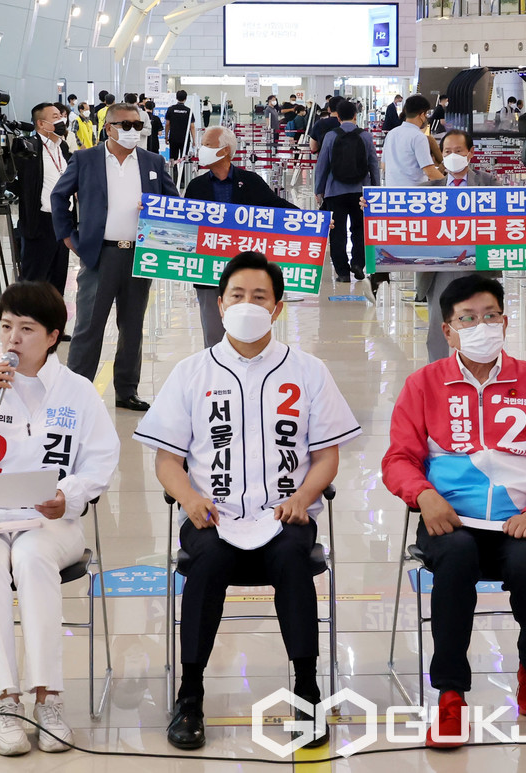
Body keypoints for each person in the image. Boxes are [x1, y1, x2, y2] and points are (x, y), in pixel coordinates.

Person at [134, 253, 360, 751]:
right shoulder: (192, 372)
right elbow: (166, 461)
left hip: (286, 515)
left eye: (260, 297)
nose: (248, 305)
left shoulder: (307, 370)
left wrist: (303, 497)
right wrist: (190, 499)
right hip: (211, 516)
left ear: (277, 308)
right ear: (220, 305)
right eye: (237, 295)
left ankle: (306, 689)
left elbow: (327, 456)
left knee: (292, 558)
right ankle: (190, 694)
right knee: (207, 560)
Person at [381, 275, 526, 748]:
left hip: (519, 521)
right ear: (448, 330)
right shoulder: (424, 384)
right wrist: (423, 496)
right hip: (450, 522)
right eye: (467, 319)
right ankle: (451, 694)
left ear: (505, 321)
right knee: (455, 561)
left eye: (490, 316)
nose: (481, 326)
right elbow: (398, 459)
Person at [0, 281, 118, 756]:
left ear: (53, 336)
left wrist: (68, 493)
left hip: (48, 520)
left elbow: (100, 459)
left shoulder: (77, 393)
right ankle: (4, 700)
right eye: (6, 327)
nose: (12, 338)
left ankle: (48, 697)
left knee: (34, 555)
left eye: (26, 329)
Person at [50, 102, 180, 412]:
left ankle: (126, 390)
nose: (132, 131)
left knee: (132, 326)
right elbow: (58, 195)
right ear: (108, 128)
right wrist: (68, 236)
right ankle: (77, 390)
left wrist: (157, 211)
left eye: (137, 125)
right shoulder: (85, 159)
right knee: (88, 327)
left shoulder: (152, 160)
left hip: (139, 255)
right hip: (99, 255)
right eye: (125, 124)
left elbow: (173, 201)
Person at [187, 126, 299, 346]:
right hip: (208, 272)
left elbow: (278, 208)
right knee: (213, 335)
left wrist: (316, 222)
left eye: (208, 145)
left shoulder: (250, 181)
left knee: (248, 333)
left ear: (225, 150)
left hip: (244, 269)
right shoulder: (196, 186)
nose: (202, 150)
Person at [417, 131, 503, 361]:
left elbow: (517, 208)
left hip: (477, 268)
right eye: (447, 152)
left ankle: (480, 371)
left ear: (470, 153)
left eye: (458, 151)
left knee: (479, 327)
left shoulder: (489, 184)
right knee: (438, 329)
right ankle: (438, 378)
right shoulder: (427, 190)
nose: (452, 156)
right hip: (439, 270)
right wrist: (371, 206)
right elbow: (394, 213)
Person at [314, 99, 380, 284]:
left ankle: (342, 272)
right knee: (359, 229)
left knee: (338, 232)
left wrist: (319, 189)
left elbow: (322, 166)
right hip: (360, 193)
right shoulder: (365, 136)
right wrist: (375, 189)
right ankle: (358, 263)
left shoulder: (330, 136)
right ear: (355, 116)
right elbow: (373, 164)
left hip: (335, 192)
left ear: (338, 117)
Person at [10, 103, 72, 298]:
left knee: (57, 282)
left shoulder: (61, 146)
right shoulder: (30, 147)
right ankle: (31, 325)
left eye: (61, 116)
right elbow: (12, 179)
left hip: (63, 222)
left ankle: (54, 327)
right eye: (55, 117)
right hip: (40, 222)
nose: (62, 120)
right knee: (35, 284)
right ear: (41, 123)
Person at [165, 90, 194, 163]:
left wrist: (166, 136)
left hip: (173, 137)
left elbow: (167, 124)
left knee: (173, 158)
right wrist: (194, 140)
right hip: (185, 138)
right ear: (185, 98)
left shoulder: (171, 109)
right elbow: (192, 127)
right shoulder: (188, 111)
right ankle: (184, 173)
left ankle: (173, 173)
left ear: (176, 98)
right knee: (184, 158)